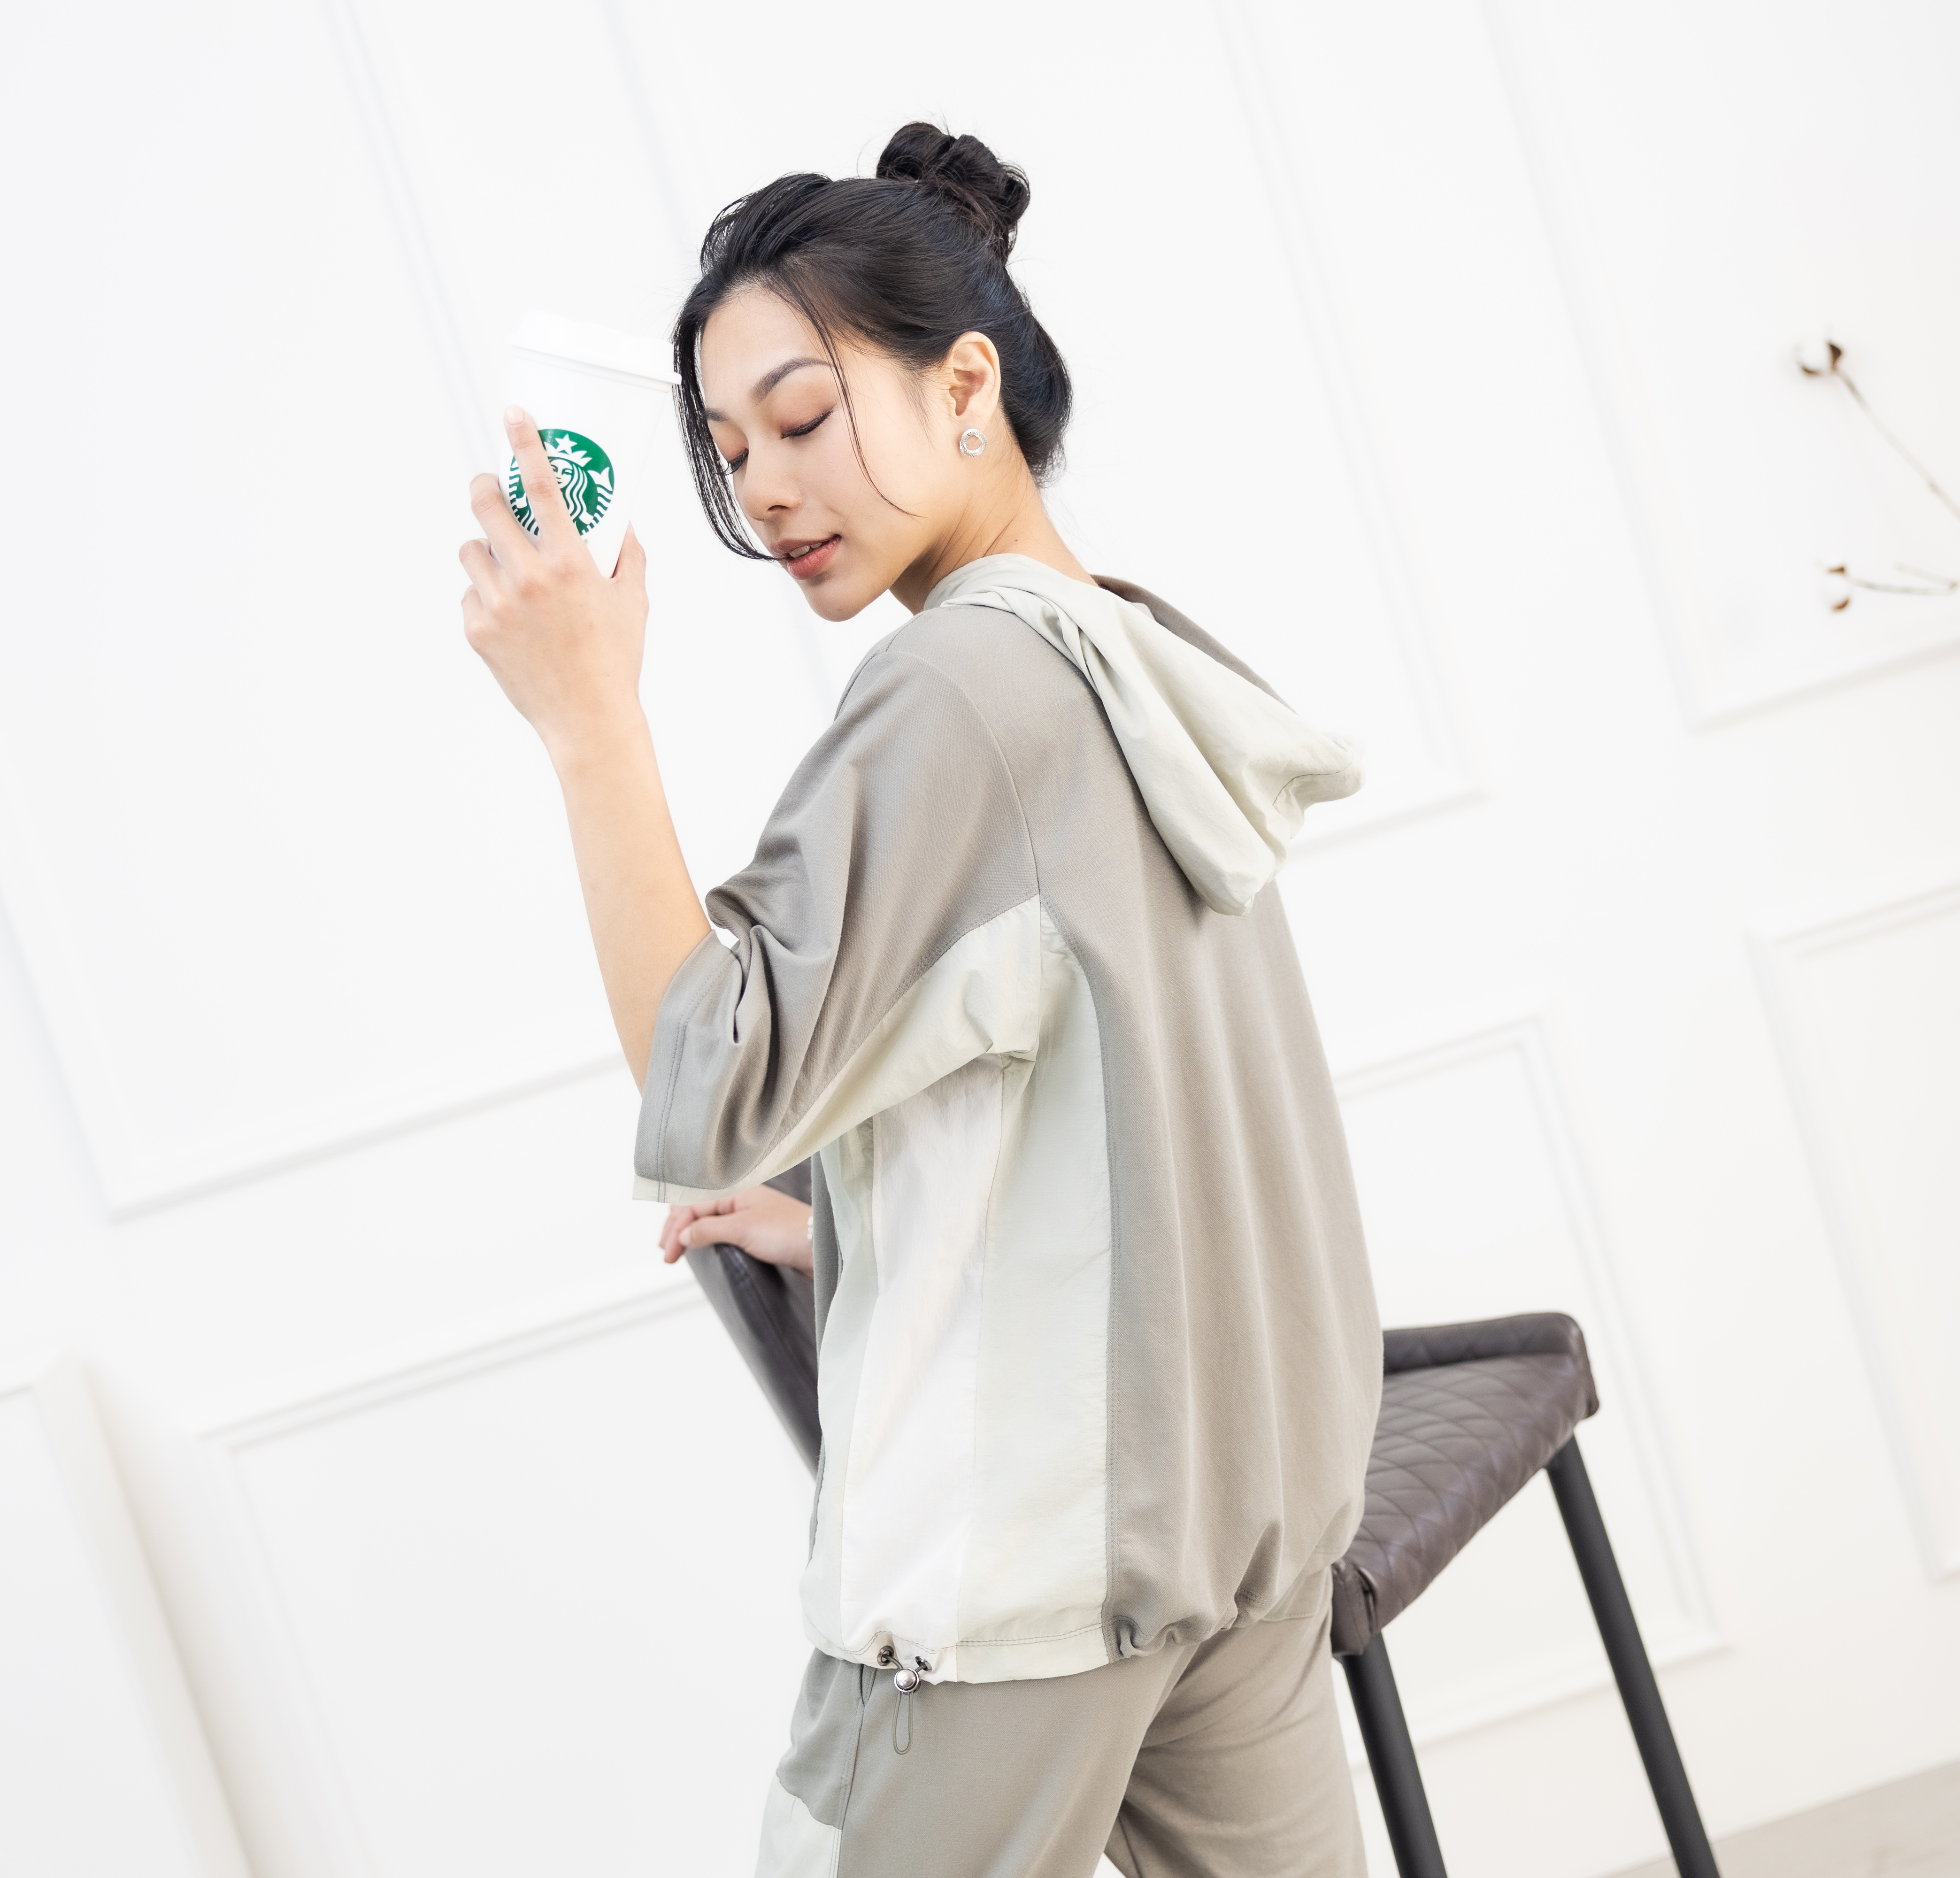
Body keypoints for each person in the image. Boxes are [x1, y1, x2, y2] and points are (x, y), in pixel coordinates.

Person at [457, 121, 1382, 1878]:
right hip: (1241, 1516)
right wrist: (861, 1226)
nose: (765, 491)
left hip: (1016, 1580)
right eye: (731, 451)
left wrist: (589, 716)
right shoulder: (1125, 652)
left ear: (968, 385)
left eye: (803, 418)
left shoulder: (954, 693)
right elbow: (1111, 1087)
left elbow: (711, 1084)